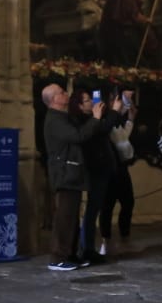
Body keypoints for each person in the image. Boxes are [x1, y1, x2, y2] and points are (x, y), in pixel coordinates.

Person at [41, 83, 114, 270]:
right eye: (62, 92)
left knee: (72, 217)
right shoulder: (55, 119)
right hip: (65, 174)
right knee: (64, 217)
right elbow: (77, 136)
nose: (66, 94)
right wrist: (95, 119)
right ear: (54, 99)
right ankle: (57, 257)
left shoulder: (62, 117)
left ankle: (70, 254)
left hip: (72, 174)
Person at [99, 90, 137, 255]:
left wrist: (130, 120)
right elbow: (108, 131)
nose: (121, 103)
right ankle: (105, 240)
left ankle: (124, 237)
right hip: (109, 168)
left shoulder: (116, 118)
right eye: (118, 100)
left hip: (121, 167)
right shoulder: (105, 117)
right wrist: (117, 111)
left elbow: (122, 136)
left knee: (128, 202)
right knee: (107, 206)